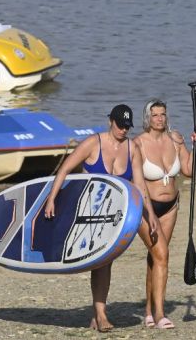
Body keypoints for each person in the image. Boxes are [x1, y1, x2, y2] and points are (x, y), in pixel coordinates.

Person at [44, 104, 162, 332]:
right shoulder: (92, 143)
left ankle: (96, 316)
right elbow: (65, 169)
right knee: (103, 262)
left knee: (106, 261)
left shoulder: (131, 148)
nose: (123, 130)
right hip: (90, 212)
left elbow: (140, 184)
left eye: (127, 126)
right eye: (120, 125)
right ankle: (101, 313)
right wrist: (51, 198)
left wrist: (150, 213)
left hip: (115, 214)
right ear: (111, 121)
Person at [133, 99, 196, 329]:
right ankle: (160, 314)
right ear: (147, 118)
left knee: (157, 257)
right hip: (146, 207)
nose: (160, 119)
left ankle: (149, 311)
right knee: (162, 254)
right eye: (155, 115)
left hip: (171, 206)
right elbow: (137, 182)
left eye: (162, 114)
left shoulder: (176, 139)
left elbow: (189, 171)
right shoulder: (138, 144)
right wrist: (149, 213)